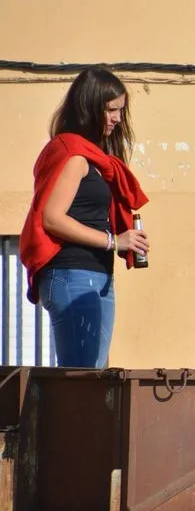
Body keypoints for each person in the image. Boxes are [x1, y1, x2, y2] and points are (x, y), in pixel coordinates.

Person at [19, 66, 150, 368]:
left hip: (95, 275)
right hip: (73, 274)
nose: (118, 119)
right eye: (111, 110)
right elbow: (52, 218)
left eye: (120, 110)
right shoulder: (73, 154)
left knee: (92, 376)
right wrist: (114, 241)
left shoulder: (91, 156)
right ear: (89, 107)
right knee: (82, 379)